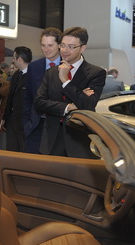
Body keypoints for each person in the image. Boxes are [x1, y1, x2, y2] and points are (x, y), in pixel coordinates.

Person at [34, 27, 106, 159]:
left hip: (79, 141)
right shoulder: (51, 72)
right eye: (62, 45)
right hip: (52, 141)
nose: (64, 50)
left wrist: (66, 81)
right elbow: (39, 102)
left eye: (71, 47)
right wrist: (68, 107)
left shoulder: (95, 73)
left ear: (82, 48)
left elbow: (87, 104)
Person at [24, 27, 62, 154]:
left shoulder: (68, 67)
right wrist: (27, 123)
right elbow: (27, 97)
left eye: (50, 45)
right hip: (36, 125)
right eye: (43, 45)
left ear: (59, 45)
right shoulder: (34, 67)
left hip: (59, 127)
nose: (46, 49)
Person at [4, 46, 32, 152]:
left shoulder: (34, 75)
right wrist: (5, 118)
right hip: (12, 122)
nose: (12, 60)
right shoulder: (16, 74)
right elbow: (10, 97)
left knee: (24, 153)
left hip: (25, 124)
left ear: (19, 59)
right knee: (11, 151)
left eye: (13, 58)